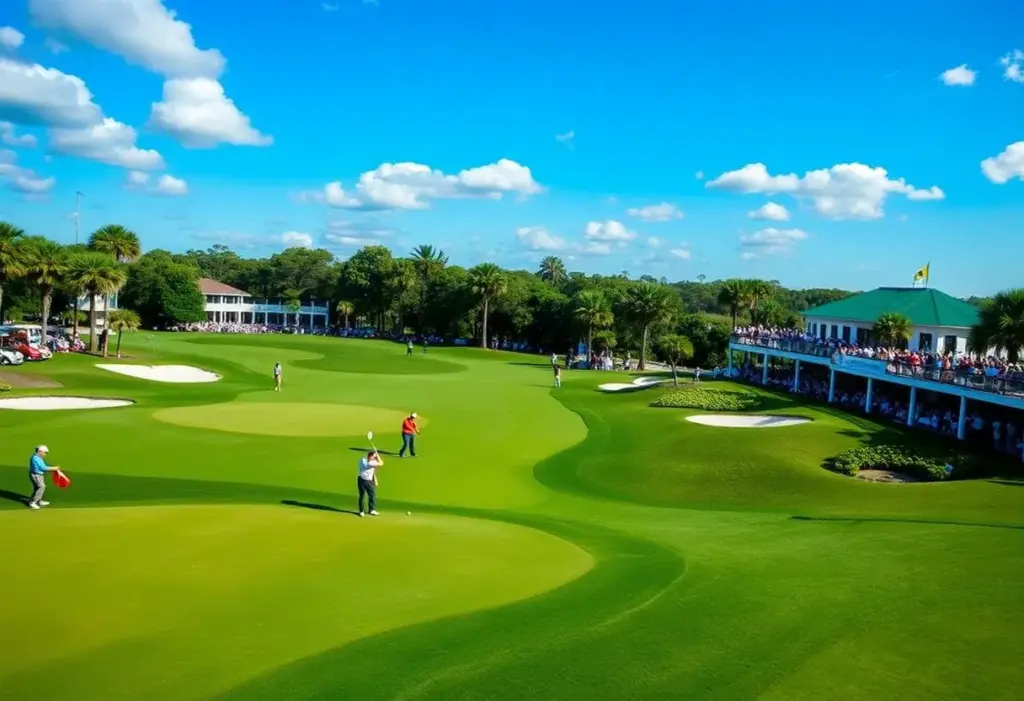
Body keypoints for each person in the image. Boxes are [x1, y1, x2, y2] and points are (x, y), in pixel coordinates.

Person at [28, 445, 60, 510]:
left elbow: (43, 466)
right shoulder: (35, 458)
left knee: (38, 487)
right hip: (36, 475)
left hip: (39, 475)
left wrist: (51, 469)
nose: (45, 454)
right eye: (44, 452)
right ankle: (33, 502)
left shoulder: (38, 458)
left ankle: (39, 501)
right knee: (41, 487)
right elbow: (43, 468)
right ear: (40, 451)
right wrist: (53, 468)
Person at [357, 450, 383, 517]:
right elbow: (381, 463)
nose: (375, 457)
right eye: (374, 456)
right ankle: (361, 511)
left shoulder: (362, 460)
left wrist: (375, 479)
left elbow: (373, 470)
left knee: (372, 495)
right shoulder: (371, 462)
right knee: (362, 495)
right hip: (364, 480)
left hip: (363, 479)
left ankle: (371, 510)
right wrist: (378, 456)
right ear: (371, 456)